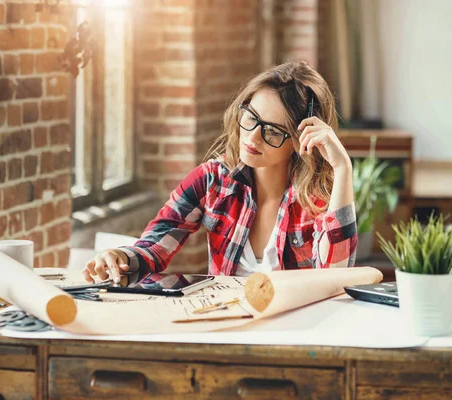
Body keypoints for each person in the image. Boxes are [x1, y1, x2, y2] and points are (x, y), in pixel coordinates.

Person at [82, 61, 357, 284]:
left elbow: (334, 276)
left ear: (299, 142)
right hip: (226, 330)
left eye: (273, 131)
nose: (252, 137)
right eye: (251, 117)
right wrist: (122, 256)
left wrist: (342, 167)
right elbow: (156, 244)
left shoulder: (316, 197)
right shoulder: (213, 180)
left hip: (296, 337)